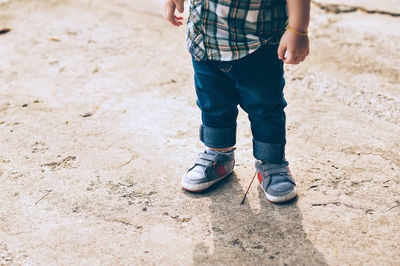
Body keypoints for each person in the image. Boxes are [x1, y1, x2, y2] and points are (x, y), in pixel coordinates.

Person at [165, 0, 310, 203]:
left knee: (265, 108)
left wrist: (298, 29)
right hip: (205, 39)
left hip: (259, 43)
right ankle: (219, 154)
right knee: (213, 104)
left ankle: (271, 162)